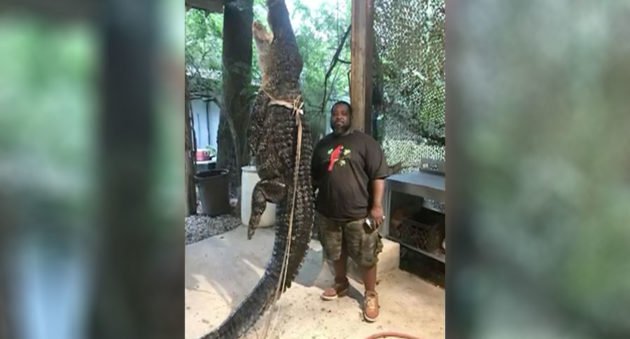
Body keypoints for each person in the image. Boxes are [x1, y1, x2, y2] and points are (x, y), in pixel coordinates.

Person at [311, 100, 389, 322]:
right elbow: (314, 178)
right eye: (335, 113)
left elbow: (378, 176)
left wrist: (376, 206)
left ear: (350, 117)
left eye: (343, 113)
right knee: (335, 252)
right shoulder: (322, 146)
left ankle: (370, 294)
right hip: (328, 213)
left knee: (367, 256)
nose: (339, 117)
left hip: (359, 214)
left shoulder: (365, 143)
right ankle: (341, 283)